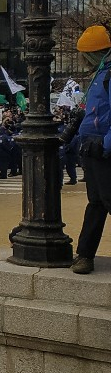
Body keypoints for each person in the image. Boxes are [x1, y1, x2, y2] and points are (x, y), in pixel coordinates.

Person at [73, 23, 111, 273]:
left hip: (102, 150)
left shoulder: (108, 74)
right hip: (92, 149)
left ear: (95, 53)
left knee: (107, 201)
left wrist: (105, 146)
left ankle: (85, 255)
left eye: (85, 55)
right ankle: (84, 254)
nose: (84, 61)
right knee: (96, 202)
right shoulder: (101, 72)